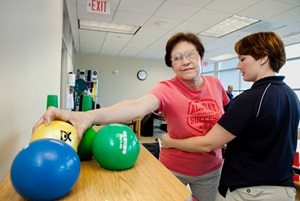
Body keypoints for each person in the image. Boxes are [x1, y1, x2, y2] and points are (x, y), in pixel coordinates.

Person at [33, 32, 229, 201]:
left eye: (190, 54)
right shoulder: (167, 89)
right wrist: (87, 116)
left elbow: (229, 116)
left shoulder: (215, 84)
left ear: (200, 56)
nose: (185, 61)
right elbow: (136, 106)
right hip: (174, 169)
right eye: (176, 58)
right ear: (171, 65)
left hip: (211, 170)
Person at [160, 32, 300, 201]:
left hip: (249, 191)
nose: (238, 66)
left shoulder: (249, 99)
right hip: (284, 190)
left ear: (263, 58)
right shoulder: (291, 95)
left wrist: (170, 142)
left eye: (242, 59)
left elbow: (208, 143)